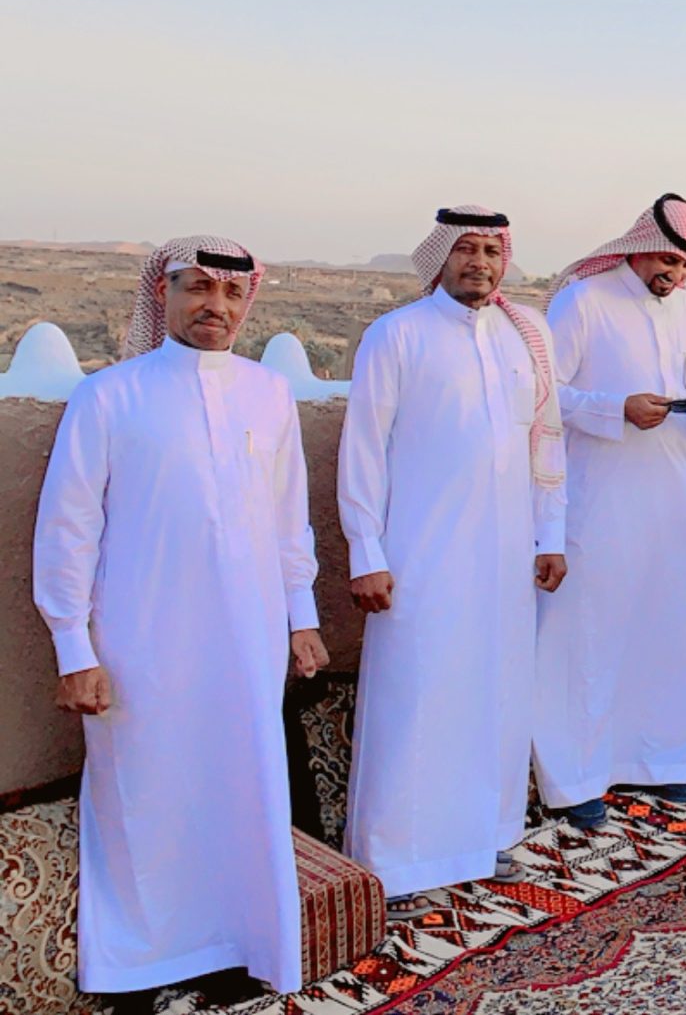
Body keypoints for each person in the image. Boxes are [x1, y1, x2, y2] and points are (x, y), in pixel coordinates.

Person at [34, 238, 326, 1010]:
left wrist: (301, 619)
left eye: (230, 293)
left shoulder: (269, 393)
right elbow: (67, 531)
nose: (215, 306)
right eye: (198, 288)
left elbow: (289, 519)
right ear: (161, 294)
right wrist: (73, 648)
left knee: (238, 793)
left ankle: (230, 945)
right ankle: (137, 965)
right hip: (139, 642)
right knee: (143, 799)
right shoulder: (109, 397)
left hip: (247, 639)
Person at [339, 207, 567, 914]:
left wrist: (551, 535)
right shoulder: (397, 334)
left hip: (506, 558)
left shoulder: (527, 336)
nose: (480, 263)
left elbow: (548, 441)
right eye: (465, 249)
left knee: (498, 693)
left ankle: (485, 837)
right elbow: (364, 449)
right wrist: (366, 551)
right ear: (439, 257)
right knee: (417, 696)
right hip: (421, 556)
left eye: (492, 251)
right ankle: (396, 860)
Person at [534, 194, 686, 829]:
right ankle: (578, 778)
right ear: (637, 247)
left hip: (675, 501)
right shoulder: (584, 302)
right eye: (664, 259)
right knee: (590, 635)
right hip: (599, 501)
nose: (673, 273)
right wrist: (614, 407)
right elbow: (544, 394)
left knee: (674, 627)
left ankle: (666, 761)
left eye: (684, 264)